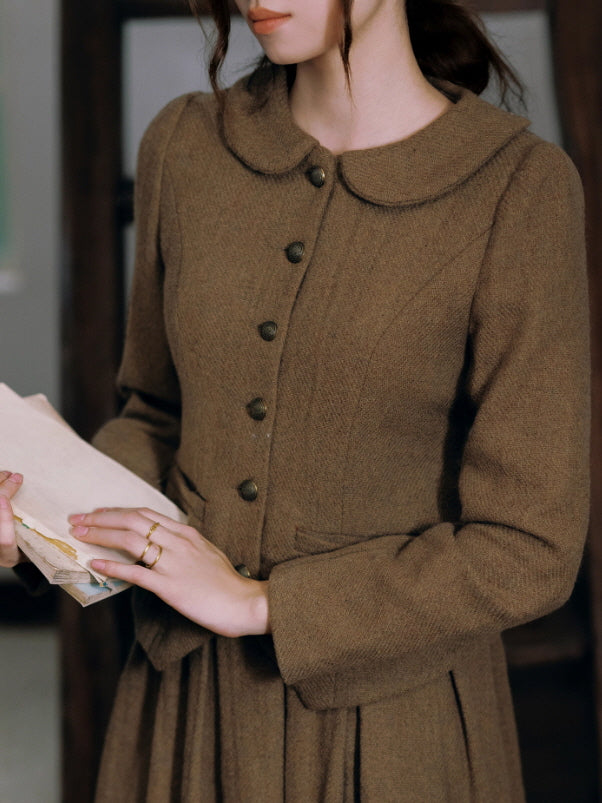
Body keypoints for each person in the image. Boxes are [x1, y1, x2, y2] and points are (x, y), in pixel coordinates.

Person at [1, 0, 590, 799]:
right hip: (182, 710)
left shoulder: (519, 189)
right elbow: (157, 414)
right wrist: (38, 522)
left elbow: (528, 548)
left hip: (395, 737)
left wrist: (264, 605)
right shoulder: (184, 144)